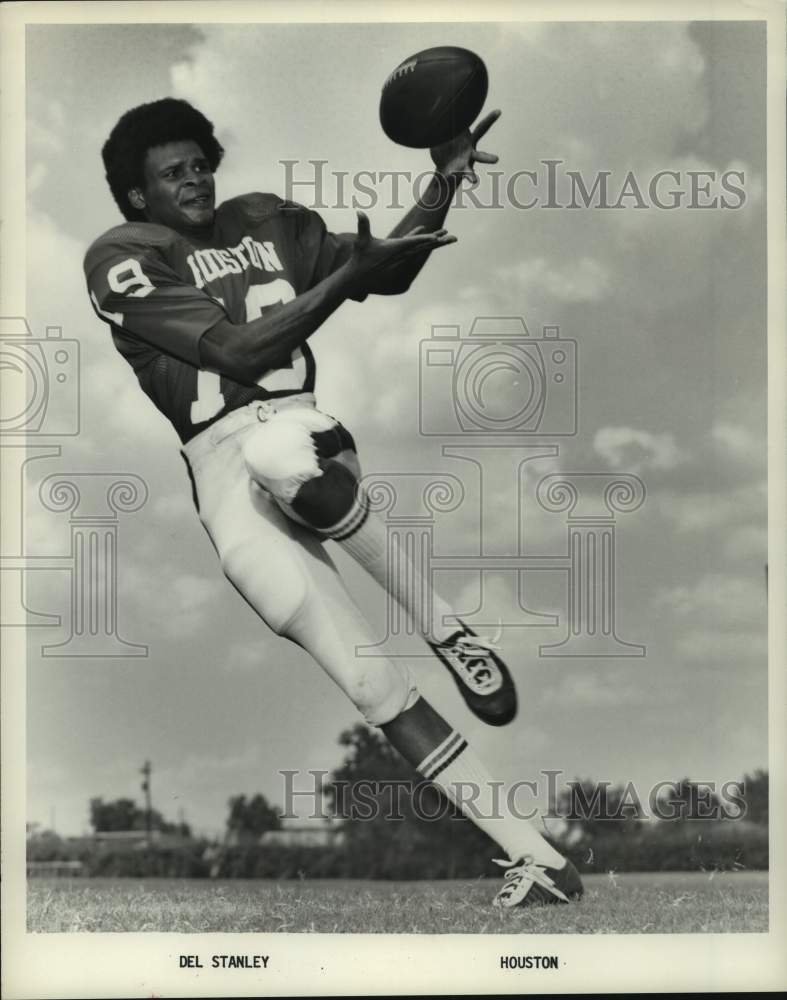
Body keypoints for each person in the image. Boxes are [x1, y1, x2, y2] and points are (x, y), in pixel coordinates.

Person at [84, 97, 582, 908]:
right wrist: (345, 278)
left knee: (278, 453)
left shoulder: (263, 220)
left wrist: (442, 180)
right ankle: (539, 862)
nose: (195, 178)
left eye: (200, 161)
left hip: (300, 429)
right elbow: (239, 347)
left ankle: (441, 624)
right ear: (139, 197)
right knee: (367, 684)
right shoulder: (122, 255)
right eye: (172, 172)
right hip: (216, 467)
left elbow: (392, 264)